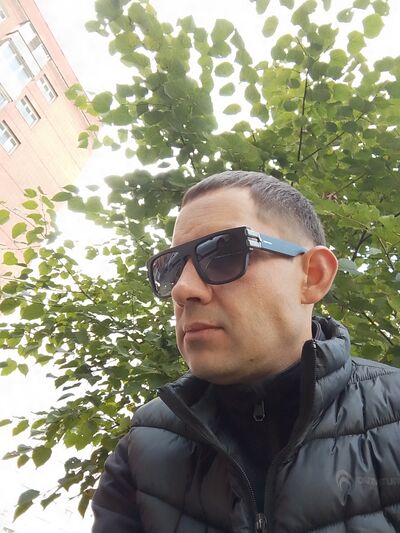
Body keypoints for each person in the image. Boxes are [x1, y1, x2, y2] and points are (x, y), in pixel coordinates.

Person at [92, 171, 400, 533]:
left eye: (223, 254)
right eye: (172, 267)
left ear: (313, 276)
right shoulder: (141, 450)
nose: (182, 289)